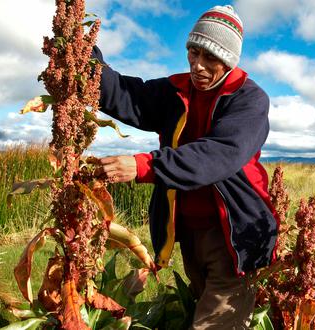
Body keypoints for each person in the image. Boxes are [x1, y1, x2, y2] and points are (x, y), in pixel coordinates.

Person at [93, 5, 278, 329]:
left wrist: (143, 166)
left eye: (211, 58)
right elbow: (125, 95)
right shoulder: (175, 90)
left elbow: (218, 154)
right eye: (193, 53)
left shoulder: (249, 100)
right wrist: (84, 57)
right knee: (201, 306)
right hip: (192, 235)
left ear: (230, 60)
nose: (198, 66)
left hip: (235, 238)